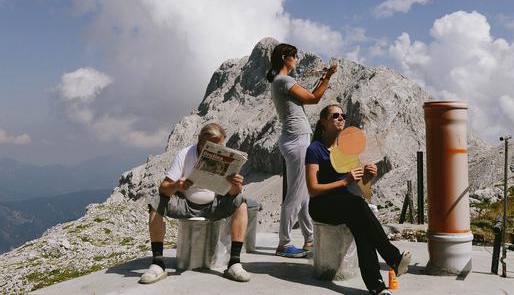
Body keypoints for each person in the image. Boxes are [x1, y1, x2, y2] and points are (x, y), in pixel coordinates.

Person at [305, 104, 411, 295]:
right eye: (335, 115)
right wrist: (345, 180)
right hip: (321, 204)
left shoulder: (344, 150)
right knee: (357, 205)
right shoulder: (315, 149)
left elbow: (358, 184)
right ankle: (392, 257)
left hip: (345, 203)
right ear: (323, 121)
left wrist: (369, 176)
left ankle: (376, 286)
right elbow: (312, 189)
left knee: (361, 227)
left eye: (343, 115)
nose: (341, 118)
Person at [140, 123, 252, 284]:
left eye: (219, 145)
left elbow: (234, 194)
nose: (216, 148)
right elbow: (163, 189)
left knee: (241, 202)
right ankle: (157, 263)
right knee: (156, 202)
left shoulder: (227, 157)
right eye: (211, 145)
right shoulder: (184, 155)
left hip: (214, 204)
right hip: (186, 204)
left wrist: (236, 185)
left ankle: (234, 263)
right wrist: (176, 186)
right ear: (200, 140)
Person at [266, 42, 337, 258]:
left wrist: (322, 79)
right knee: (295, 195)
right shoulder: (283, 80)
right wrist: (328, 77)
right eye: (294, 56)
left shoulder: (281, 82)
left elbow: (308, 95)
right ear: (285, 58)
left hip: (296, 139)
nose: (297, 60)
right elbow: (314, 98)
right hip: (296, 140)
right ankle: (284, 243)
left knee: (305, 194)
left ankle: (309, 239)